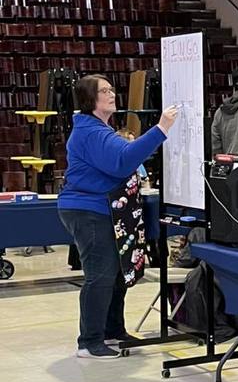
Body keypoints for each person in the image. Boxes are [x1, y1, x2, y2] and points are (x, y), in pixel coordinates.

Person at [59, 76, 177, 360]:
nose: (112, 94)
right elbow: (123, 160)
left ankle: (113, 329)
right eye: (104, 91)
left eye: (112, 89)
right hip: (89, 209)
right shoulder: (91, 131)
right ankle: (89, 341)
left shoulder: (99, 128)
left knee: (114, 272)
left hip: (104, 208)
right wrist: (161, 128)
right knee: (100, 274)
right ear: (90, 99)